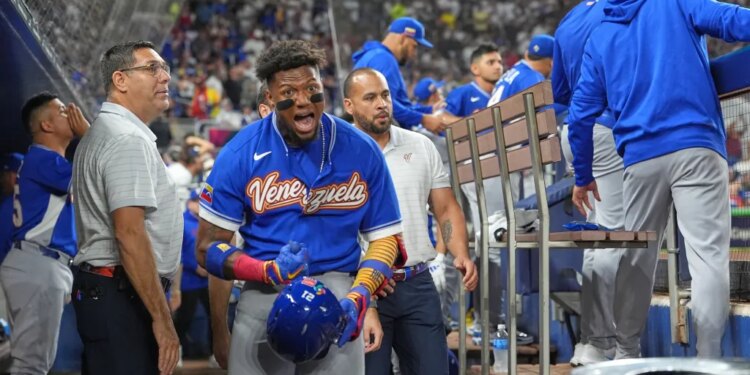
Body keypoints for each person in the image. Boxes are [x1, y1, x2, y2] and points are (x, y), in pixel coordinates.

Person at [195, 40, 404, 375]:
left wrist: (361, 294)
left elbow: (385, 238)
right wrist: (266, 271)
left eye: (312, 88)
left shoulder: (362, 150)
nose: (304, 100)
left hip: (339, 294)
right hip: (263, 294)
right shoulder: (240, 153)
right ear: (271, 98)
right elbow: (207, 249)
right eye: (289, 91)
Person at [567, 0, 750, 359]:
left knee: (636, 260)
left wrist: (583, 175)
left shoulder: (600, 34)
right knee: (708, 257)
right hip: (696, 144)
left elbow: (579, 116)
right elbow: (734, 21)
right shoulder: (675, 1)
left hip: (639, 159)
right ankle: (708, 358)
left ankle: (626, 352)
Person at [343, 67, 478, 375]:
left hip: (417, 283)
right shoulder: (338, 153)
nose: (382, 104)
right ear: (349, 106)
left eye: (386, 95)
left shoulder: (420, 145)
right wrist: (363, 292)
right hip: (364, 285)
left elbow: (446, 209)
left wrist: (461, 254)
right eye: (370, 97)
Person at [72, 40, 182, 375]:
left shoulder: (111, 132)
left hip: (112, 293)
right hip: (121, 295)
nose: (164, 77)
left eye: (164, 68)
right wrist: (163, 320)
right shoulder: (126, 139)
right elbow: (129, 233)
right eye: (152, 69)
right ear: (120, 80)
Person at [552, 0, 624, 366]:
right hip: (607, 128)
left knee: (599, 240)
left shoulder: (570, 18)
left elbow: (561, 93)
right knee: (614, 237)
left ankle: (592, 342)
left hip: (576, 132)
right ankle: (601, 343)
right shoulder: (625, 9)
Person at [0, 92, 88, 374]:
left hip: (37, 263)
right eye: (62, 110)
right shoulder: (43, 157)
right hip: (38, 262)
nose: (70, 112)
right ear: (46, 126)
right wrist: (91, 137)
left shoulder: (45, 161)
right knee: (32, 365)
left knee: (34, 361)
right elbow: (91, 178)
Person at [352, 17, 458, 133]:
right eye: (414, 46)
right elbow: (385, 105)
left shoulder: (376, 56)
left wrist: (428, 110)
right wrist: (423, 119)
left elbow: (399, 104)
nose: (414, 54)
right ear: (403, 38)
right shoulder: (383, 59)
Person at [173, 189, 212, 357]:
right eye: (197, 201)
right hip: (188, 280)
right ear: (190, 203)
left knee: (215, 316)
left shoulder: (207, 223)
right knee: (184, 317)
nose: (200, 204)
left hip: (207, 280)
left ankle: (214, 352)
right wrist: (194, 266)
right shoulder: (181, 221)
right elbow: (177, 252)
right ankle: (176, 350)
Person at [488, 34, 554, 107]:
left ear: (526, 54)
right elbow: (545, 112)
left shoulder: (513, 72)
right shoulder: (533, 77)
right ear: (551, 62)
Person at [0, 153, 23, 264]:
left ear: (14, 176)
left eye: (5, 175)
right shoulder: (36, 200)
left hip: (9, 266)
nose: (2, 180)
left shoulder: (11, 204)